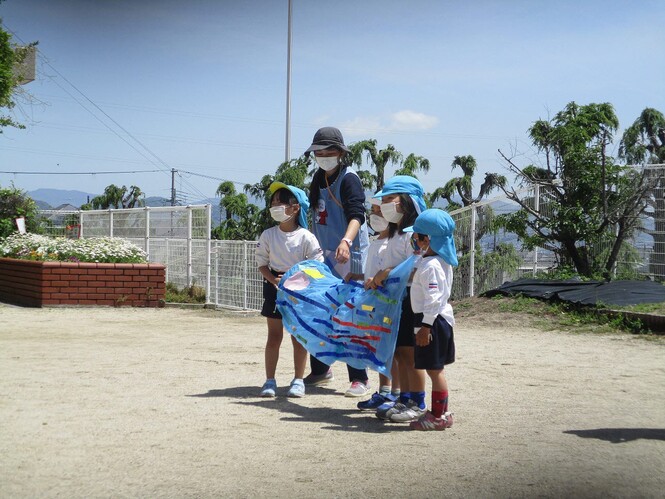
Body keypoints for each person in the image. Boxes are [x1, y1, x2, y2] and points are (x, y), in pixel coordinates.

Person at [303, 126, 371, 397]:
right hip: (325, 254)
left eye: (329, 151)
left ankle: (359, 378)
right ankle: (321, 369)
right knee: (320, 309)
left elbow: (357, 214)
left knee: (350, 315)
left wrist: (346, 240)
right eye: (319, 152)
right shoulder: (318, 178)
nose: (324, 155)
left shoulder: (349, 179)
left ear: (341, 153)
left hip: (351, 254)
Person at [365, 176, 430, 421]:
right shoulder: (392, 235)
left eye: (389, 199)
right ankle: (403, 398)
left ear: (406, 202)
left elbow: (417, 266)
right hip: (395, 302)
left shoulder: (414, 235)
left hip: (411, 300)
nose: (384, 204)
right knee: (401, 353)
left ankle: (417, 401)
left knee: (411, 355)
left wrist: (387, 274)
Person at [256, 182, 324, 398]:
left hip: (299, 292)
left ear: (295, 208)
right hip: (274, 289)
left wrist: (294, 280)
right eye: (273, 202)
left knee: (299, 337)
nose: (276, 206)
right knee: (274, 337)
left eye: (281, 202)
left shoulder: (306, 236)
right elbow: (262, 264)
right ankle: (270, 380)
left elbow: (316, 266)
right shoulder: (268, 235)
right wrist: (275, 282)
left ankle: (298, 380)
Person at [403, 208, 457, 430]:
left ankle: (437, 416)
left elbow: (433, 299)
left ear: (427, 239)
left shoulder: (432, 265)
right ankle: (441, 412)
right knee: (436, 369)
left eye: (416, 236)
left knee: (435, 370)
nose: (414, 240)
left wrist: (425, 327)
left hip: (430, 320)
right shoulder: (438, 261)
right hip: (434, 319)